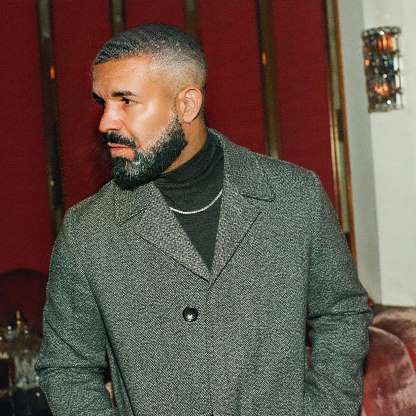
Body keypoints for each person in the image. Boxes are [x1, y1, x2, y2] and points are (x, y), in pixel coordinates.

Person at [35, 24, 372, 416]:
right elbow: (66, 368)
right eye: (103, 102)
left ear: (187, 104)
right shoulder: (88, 231)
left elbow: (342, 312)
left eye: (125, 101)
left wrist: (324, 408)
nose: (106, 122)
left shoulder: (294, 196)